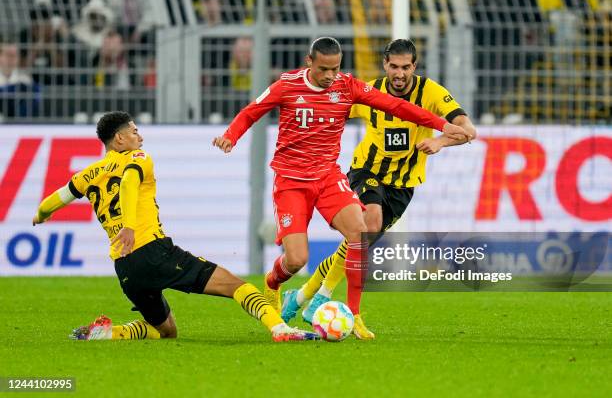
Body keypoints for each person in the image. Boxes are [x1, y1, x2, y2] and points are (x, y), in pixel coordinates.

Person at [212, 37, 472, 339]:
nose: (330, 76)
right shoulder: (287, 85)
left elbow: (398, 106)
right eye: (324, 69)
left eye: (335, 69)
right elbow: (252, 110)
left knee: (359, 233)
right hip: (291, 181)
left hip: (327, 177)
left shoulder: (347, 86)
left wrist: (442, 127)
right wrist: (231, 135)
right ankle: (272, 283)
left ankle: (354, 314)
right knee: (296, 259)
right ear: (310, 62)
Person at [33, 111, 318, 342]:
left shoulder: (86, 174)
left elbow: (55, 199)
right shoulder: (137, 158)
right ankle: (281, 329)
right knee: (236, 286)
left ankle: (111, 332)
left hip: (125, 267)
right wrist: (130, 226)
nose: (140, 137)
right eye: (134, 131)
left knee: (166, 330)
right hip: (152, 250)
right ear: (119, 139)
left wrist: (40, 215)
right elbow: (130, 182)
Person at [281, 39, 477, 330]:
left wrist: (440, 141)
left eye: (405, 67)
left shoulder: (431, 92)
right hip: (366, 171)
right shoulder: (369, 91)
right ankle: (323, 298)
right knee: (368, 223)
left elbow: (468, 130)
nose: (399, 73)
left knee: (358, 243)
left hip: (403, 185)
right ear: (385, 65)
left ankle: (302, 295)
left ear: (414, 66)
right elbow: (326, 110)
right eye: (394, 67)